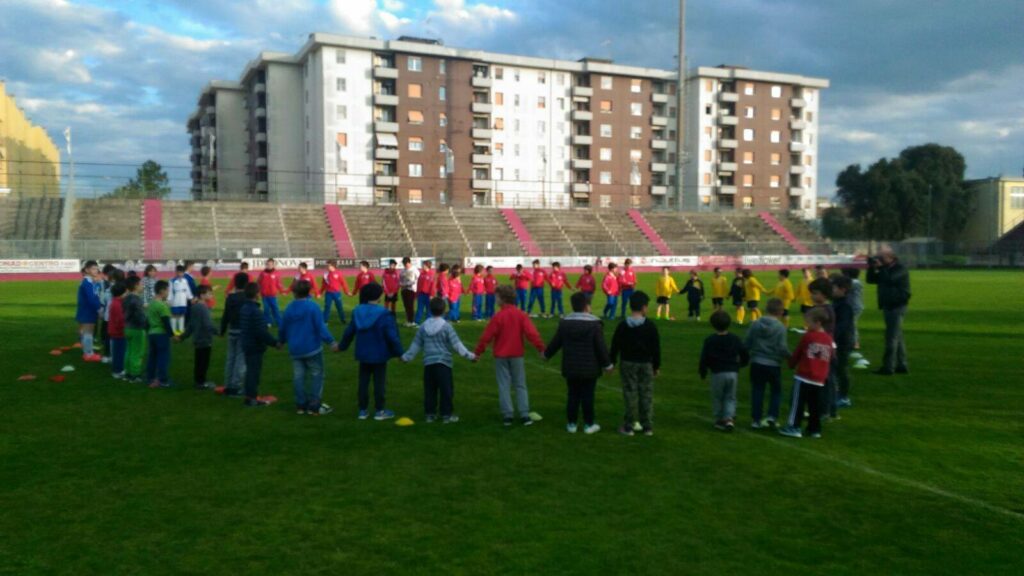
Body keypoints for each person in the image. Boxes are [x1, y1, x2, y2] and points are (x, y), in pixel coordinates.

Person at [474, 285, 546, 427]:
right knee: (520, 384)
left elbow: (486, 336)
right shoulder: (520, 315)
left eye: (497, 297)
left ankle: (508, 415)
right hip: (516, 355)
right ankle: (524, 414)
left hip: (501, 356)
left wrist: (478, 352)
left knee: (504, 385)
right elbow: (531, 333)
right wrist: (540, 348)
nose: (495, 299)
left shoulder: (498, 316)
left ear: (502, 299)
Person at [543, 291, 612, 434]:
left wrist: (546, 354)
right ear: (587, 307)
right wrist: (607, 364)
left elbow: (556, 342)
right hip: (590, 367)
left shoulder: (565, 323)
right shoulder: (594, 324)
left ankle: (572, 423)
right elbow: (600, 347)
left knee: (573, 395)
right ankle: (588, 424)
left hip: (571, 366)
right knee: (588, 395)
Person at [402, 297, 477, 424]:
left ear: (430, 309)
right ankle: (446, 415)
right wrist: (470, 356)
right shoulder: (447, 327)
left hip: (429, 364)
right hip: (444, 364)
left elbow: (416, 345)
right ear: (444, 310)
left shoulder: (423, 326)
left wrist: (406, 357)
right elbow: (457, 345)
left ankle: (430, 414)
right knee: (446, 390)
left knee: (430, 390)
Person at [339, 283, 405, 420]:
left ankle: (362, 410)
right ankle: (379, 410)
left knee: (363, 381)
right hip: (379, 354)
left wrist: (342, 346)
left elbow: (349, 332)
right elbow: (392, 336)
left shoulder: (357, 311)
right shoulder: (384, 314)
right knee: (379, 383)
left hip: (363, 353)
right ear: (379, 296)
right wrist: (400, 353)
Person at [280, 279, 338, 416]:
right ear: (309, 291)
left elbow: (283, 327)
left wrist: (281, 341)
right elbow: (320, 327)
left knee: (298, 377)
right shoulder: (313, 307)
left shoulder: (289, 308)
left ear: (294, 292)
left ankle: (300, 405)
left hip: (295, 349)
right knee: (317, 375)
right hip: (312, 347)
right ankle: (314, 405)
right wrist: (331, 342)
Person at [610, 291, 661, 437]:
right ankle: (647, 426)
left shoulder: (623, 325)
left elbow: (615, 345)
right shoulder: (650, 326)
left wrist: (612, 361)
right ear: (644, 307)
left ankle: (629, 425)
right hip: (645, 363)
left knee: (629, 393)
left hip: (628, 363)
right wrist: (656, 366)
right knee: (646, 394)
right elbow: (656, 348)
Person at [779, 307, 835, 439]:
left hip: (804, 376)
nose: (806, 325)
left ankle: (794, 426)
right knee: (814, 405)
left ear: (818, 323)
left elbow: (798, 353)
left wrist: (790, 362)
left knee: (797, 403)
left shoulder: (808, 337)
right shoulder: (828, 339)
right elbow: (831, 357)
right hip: (820, 379)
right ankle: (814, 429)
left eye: (808, 322)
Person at [699, 310, 750, 431]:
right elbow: (744, 353)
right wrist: (742, 364)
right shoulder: (735, 339)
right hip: (732, 372)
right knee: (730, 396)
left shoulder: (710, 340)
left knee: (718, 396)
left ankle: (719, 419)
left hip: (718, 372)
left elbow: (704, 357)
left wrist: (703, 371)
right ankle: (729, 418)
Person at [744, 298, 790, 429]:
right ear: (780, 312)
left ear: (766, 309)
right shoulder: (780, 327)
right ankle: (772, 416)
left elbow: (747, 341)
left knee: (757, 390)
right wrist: (789, 357)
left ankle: (756, 419)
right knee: (776, 391)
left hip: (757, 361)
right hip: (773, 363)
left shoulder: (755, 324)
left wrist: (744, 354)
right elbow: (782, 347)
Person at [866, 249, 910, 375]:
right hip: (888, 305)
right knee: (897, 336)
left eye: (882, 257)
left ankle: (888, 367)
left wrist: (880, 267)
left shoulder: (900, 269)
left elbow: (889, 279)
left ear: (892, 258)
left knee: (891, 337)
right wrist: (871, 267)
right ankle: (902, 365)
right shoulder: (885, 268)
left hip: (897, 305)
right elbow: (871, 280)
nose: (879, 259)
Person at [239, 283, 278, 406]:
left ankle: (250, 395)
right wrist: (274, 343)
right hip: (254, 345)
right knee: (253, 372)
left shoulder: (244, 308)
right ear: (257, 294)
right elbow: (261, 332)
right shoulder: (255, 311)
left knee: (251, 370)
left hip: (246, 342)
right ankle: (251, 398)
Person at [176, 285, 218, 390]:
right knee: (204, 362)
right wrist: (218, 331)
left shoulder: (195, 307)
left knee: (199, 361)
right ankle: (201, 382)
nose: (211, 295)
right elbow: (208, 324)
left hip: (197, 338)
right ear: (202, 295)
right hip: (204, 338)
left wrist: (182, 337)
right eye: (209, 293)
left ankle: (198, 381)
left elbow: (190, 325)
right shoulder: (203, 308)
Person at [219, 272, 249, 397]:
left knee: (230, 358)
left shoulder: (230, 298)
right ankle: (235, 386)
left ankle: (228, 384)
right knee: (240, 360)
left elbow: (225, 315)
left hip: (232, 330)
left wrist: (222, 330)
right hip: (242, 331)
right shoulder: (246, 298)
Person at [831, 274, 855, 409]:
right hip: (839, 341)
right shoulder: (838, 303)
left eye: (834, 288)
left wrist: (831, 337)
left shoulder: (845, 306)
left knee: (841, 369)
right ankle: (837, 393)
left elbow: (842, 326)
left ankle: (844, 397)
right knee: (836, 369)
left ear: (843, 289)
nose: (832, 290)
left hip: (843, 343)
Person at [145, 280, 173, 388]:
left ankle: (150, 377)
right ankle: (162, 380)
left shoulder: (151, 304)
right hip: (161, 334)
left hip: (152, 333)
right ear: (162, 291)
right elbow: (166, 321)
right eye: (167, 290)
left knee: (152, 357)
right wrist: (172, 335)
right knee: (163, 357)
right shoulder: (162, 306)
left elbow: (147, 320)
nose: (168, 292)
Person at [76, 260, 104, 362]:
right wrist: (99, 309)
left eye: (96, 268)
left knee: (87, 332)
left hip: (87, 309)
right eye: (93, 268)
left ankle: (87, 351)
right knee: (89, 332)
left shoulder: (89, 281)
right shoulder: (87, 282)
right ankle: (88, 354)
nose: (95, 270)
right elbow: (92, 298)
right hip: (88, 310)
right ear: (87, 270)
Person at [123, 276, 147, 384]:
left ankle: (128, 373)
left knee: (129, 351)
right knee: (137, 352)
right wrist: (147, 325)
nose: (142, 286)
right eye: (141, 284)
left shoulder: (126, 298)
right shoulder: (136, 300)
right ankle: (135, 375)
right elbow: (140, 316)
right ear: (136, 286)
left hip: (127, 327)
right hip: (137, 329)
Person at [321, 259, 352, 326]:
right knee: (327, 307)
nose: (327, 267)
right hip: (328, 293)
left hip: (336, 293)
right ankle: (325, 321)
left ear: (333, 266)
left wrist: (347, 292)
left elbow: (344, 283)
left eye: (328, 265)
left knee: (339, 307)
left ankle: (343, 320)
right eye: (327, 265)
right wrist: (320, 292)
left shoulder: (338, 273)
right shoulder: (325, 274)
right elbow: (323, 285)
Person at [257, 258, 286, 328]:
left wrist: (282, 291)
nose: (269, 265)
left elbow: (279, 284)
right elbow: (258, 282)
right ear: (266, 265)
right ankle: (268, 322)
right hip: (264, 295)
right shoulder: (262, 273)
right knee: (266, 309)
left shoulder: (277, 273)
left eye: (270, 264)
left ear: (273, 265)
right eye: (268, 264)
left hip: (273, 295)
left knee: (275, 309)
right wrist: (257, 292)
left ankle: (279, 322)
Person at [842, 268, 865, 352]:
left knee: (852, 325)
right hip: (855, 306)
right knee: (851, 324)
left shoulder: (853, 283)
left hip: (854, 307)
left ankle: (855, 342)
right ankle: (852, 341)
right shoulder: (856, 282)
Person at [108, 283, 127, 379]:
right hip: (118, 333)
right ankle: (117, 371)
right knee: (119, 352)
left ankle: (119, 369)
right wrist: (125, 328)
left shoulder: (116, 302)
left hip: (116, 332)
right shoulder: (117, 304)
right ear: (122, 293)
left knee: (118, 351)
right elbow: (120, 320)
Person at [169, 265, 194, 336]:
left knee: (182, 315)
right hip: (175, 301)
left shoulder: (185, 280)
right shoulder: (172, 281)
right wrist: (169, 300)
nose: (180, 274)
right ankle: (173, 330)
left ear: (183, 273)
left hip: (183, 301)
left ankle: (181, 330)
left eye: (181, 273)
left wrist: (190, 298)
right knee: (174, 315)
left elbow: (187, 290)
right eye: (178, 272)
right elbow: (170, 291)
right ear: (176, 272)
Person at [399, 257, 420, 327]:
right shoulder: (402, 271)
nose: (406, 265)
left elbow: (418, 279)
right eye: (404, 264)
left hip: (412, 290)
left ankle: (412, 321)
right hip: (404, 290)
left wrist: (412, 283)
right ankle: (408, 320)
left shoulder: (414, 270)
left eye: (407, 264)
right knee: (406, 306)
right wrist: (401, 284)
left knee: (410, 305)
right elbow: (400, 280)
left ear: (409, 263)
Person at [414, 260, 436, 325]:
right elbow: (418, 284)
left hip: (428, 295)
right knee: (419, 309)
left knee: (429, 310)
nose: (422, 266)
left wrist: (432, 294)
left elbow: (433, 285)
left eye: (423, 265)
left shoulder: (432, 274)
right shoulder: (421, 274)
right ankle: (416, 322)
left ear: (427, 266)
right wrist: (417, 293)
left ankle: (428, 322)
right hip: (421, 294)